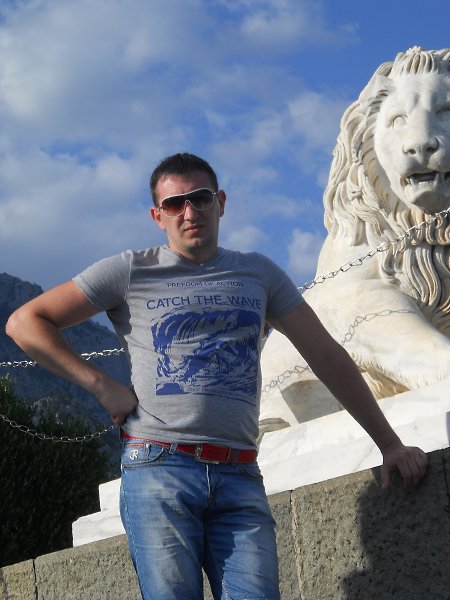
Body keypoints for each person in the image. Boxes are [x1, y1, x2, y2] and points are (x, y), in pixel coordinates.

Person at [6, 152, 428, 600]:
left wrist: (390, 443)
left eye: (200, 198)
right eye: (175, 204)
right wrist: (100, 385)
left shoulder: (259, 274)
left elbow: (327, 356)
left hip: (239, 473)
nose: (189, 212)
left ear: (220, 203)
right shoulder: (129, 270)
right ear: (158, 216)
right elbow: (24, 322)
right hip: (159, 469)